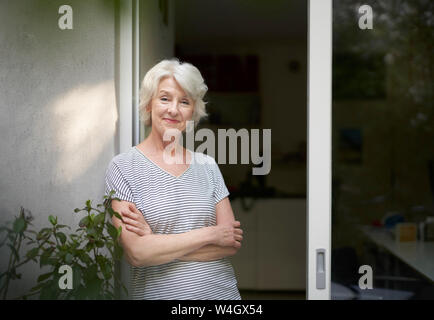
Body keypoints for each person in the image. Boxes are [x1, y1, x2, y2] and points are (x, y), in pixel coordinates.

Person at [104, 59, 243, 300]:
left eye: (185, 102)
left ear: (193, 112)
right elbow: (137, 253)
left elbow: (229, 242)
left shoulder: (208, 166)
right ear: (149, 104)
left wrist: (156, 243)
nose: (173, 110)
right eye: (165, 98)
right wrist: (210, 235)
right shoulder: (123, 167)